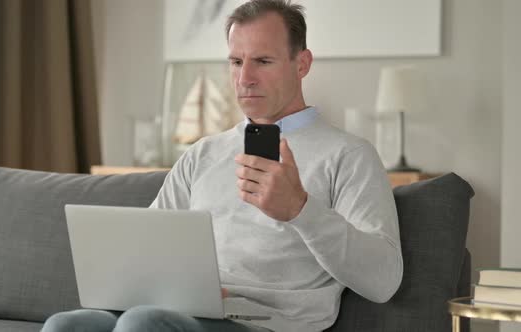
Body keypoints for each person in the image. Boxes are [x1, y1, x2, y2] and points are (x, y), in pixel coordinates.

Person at [41, 0, 403, 331]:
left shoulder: (348, 155)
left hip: (266, 323)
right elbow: (148, 250)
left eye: (263, 61)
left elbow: (383, 281)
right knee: (66, 325)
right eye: (236, 61)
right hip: (191, 311)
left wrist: (300, 210)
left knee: (143, 323)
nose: (245, 79)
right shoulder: (204, 153)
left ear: (302, 63)